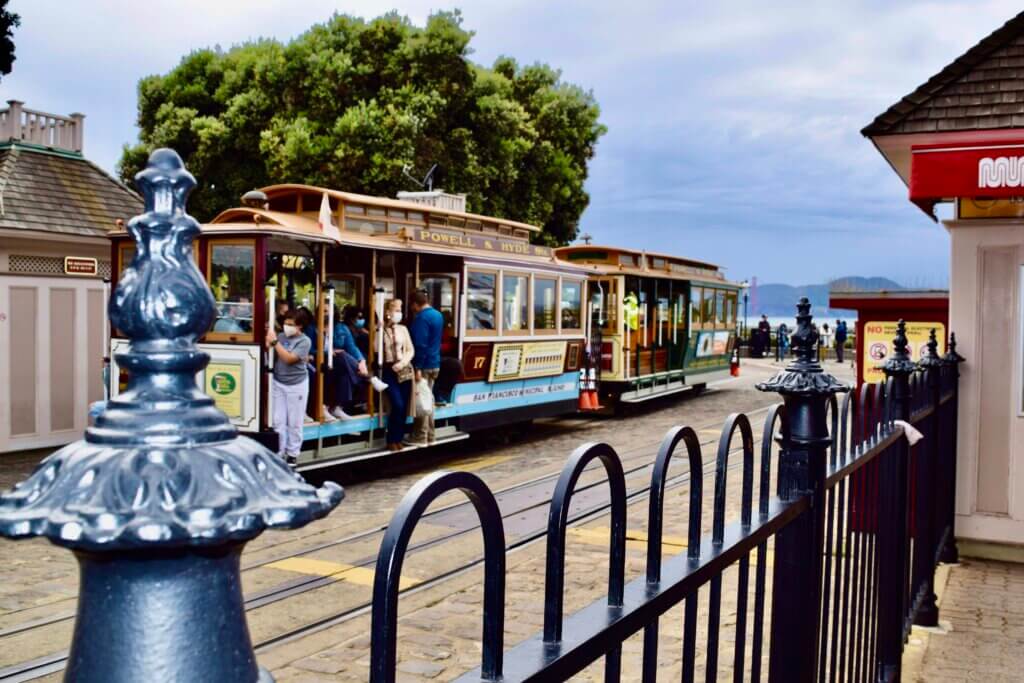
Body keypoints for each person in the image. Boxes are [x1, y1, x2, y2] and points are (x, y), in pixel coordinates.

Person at [266, 309, 311, 466]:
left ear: (300, 326)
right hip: (279, 382)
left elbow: (289, 359)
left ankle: (292, 454)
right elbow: (272, 350)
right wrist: (270, 342)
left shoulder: (304, 341)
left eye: (291, 324)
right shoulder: (281, 337)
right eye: (285, 323)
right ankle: (279, 453)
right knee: (278, 420)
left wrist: (274, 343)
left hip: (296, 384)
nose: (287, 326)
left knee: (294, 421)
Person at [326, 306, 387, 419]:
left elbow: (351, 346)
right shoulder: (314, 328)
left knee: (346, 367)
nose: (327, 314)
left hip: (342, 363)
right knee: (342, 355)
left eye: (329, 311)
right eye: (324, 311)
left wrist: (361, 361)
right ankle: (369, 378)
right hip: (325, 361)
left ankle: (337, 407)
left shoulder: (341, 328)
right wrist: (329, 350)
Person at [409, 290, 444, 446]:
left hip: (424, 364)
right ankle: (430, 435)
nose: (412, 309)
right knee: (428, 400)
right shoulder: (438, 315)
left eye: (412, 306)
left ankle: (420, 436)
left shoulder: (421, 318)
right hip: (435, 362)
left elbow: (421, 345)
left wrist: (417, 367)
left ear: (416, 304)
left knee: (422, 401)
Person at [381, 298, 414, 452]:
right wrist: (382, 329)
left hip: (404, 369)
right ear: (388, 312)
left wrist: (402, 363)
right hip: (388, 370)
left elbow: (410, 349)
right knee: (397, 404)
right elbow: (376, 350)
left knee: (403, 406)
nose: (399, 313)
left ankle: (398, 438)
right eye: (396, 310)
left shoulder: (403, 329)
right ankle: (391, 438)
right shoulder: (380, 330)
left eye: (400, 310)